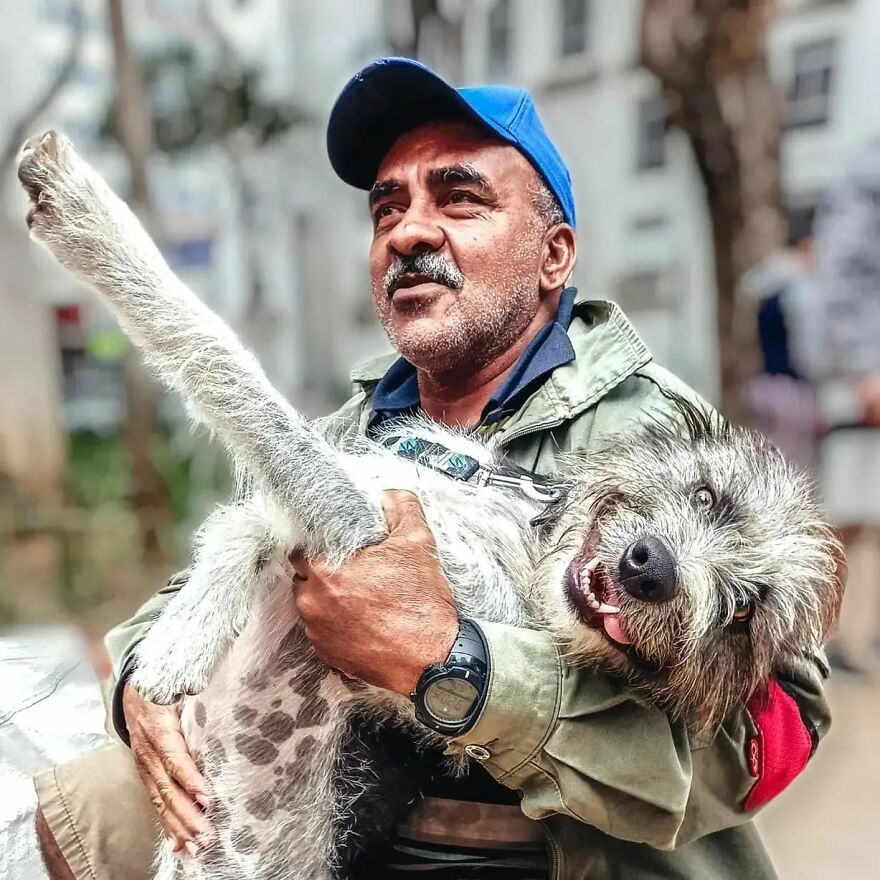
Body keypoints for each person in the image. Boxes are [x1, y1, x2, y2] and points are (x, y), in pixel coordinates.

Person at [34, 58, 832, 880]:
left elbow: (772, 731)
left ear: (554, 254)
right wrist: (140, 681)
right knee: (76, 811)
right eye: (389, 208)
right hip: (343, 824)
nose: (410, 232)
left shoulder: (662, 436)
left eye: (460, 197)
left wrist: (462, 668)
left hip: (554, 855)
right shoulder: (355, 423)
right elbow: (210, 577)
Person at [811, 137, 880, 674]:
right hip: (866, 379)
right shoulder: (867, 174)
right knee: (849, 517)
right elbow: (843, 273)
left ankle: (860, 634)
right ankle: (823, 638)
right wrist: (864, 369)